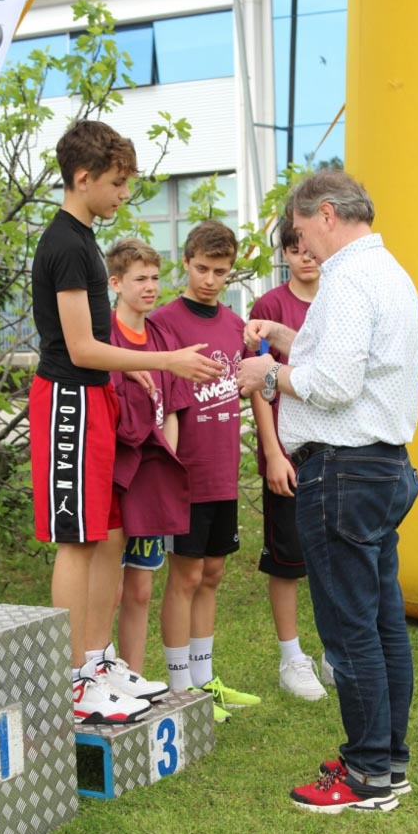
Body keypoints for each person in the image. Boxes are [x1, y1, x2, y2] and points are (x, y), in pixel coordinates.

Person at [238, 170, 418, 813]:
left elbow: (336, 384)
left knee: (349, 630)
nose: (302, 244)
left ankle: (367, 774)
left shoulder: (346, 278)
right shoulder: (389, 272)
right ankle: (387, 760)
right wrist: (288, 340)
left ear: (325, 213)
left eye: (300, 229)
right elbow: (354, 361)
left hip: (342, 469)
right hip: (381, 466)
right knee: (382, 622)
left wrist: (268, 374)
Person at [29, 120, 224, 726]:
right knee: (76, 540)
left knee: (104, 535)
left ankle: (97, 660)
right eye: (116, 183)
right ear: (83, 177)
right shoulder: (64, 244)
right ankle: (74, 678)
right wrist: (164, 361)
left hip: (94, 400)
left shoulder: (84, 239)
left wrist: (134, 368)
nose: (123, 194)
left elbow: (96, 341)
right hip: (68, 401)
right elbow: (80, 347)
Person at [151, 220, 261, 723]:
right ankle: (179, 688)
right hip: (185, 473)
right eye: (201, 269)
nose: (210, 280)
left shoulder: (236, 326)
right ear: (186, 262)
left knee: (212, 572)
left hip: (223, 470)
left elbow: (252, 387)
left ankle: (204, 680)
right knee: (186, 574)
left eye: (220, 272)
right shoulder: (165, 322)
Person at [103, 237, 192, 676]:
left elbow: (172, 409)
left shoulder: (162, 337)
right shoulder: (103, 337)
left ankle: (133, 675)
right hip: (113, 477)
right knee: (109, 589)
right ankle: (97, 672)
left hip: (151, 478)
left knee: (140, 588)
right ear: (116, 283)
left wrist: (167, 460)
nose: (150, 287)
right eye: (140, 278)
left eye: (155, 278)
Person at [249, 219, 328, 701]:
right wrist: (273, 452)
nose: (306, 257)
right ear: (284, 255)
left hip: (336, 450)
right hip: (289, 453)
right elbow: (258, 383)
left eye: (311, 249)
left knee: (336, 557)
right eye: (296, 250)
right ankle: (291, 657)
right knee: (287, 561)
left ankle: (335, 651)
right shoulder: (269, 307)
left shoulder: (338, 299)